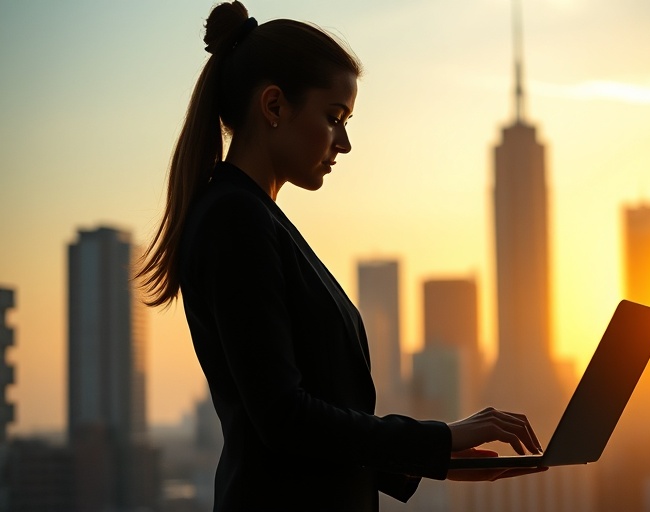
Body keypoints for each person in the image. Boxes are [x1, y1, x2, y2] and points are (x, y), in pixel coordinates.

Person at [136, 2, 544, 510]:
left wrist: (440, 461)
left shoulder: (254, 217)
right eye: (334, 118)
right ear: (274, 106)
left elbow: (310, 424)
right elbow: (283, 418)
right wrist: (439, 439)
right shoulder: (235, 221)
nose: (344, 143)